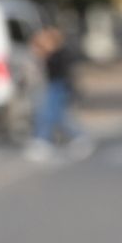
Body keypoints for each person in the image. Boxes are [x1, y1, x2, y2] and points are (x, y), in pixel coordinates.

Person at [27, 26, 83, 159]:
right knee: (55, 115)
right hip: (53, 86)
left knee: (51, 114)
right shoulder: (55, 54)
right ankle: (74, 137)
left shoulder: (58, 54)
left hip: (57, 86)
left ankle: (44, 140)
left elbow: (57, 71)